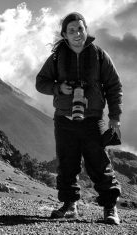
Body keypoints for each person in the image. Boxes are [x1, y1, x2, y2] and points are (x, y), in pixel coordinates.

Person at [36, 12, 122, 225]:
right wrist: (58, 88)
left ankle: (110, 208)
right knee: (66, 164)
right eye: (72, 30)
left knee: (99, 164)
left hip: (92, 119)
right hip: (64, 119)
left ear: (87, 30)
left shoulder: (99, 55)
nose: (77, 34)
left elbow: (114, 86)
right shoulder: (56, 57)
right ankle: (69, 204)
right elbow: (40, 82)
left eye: (80, 29)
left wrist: (114, 117)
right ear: (64, 34)